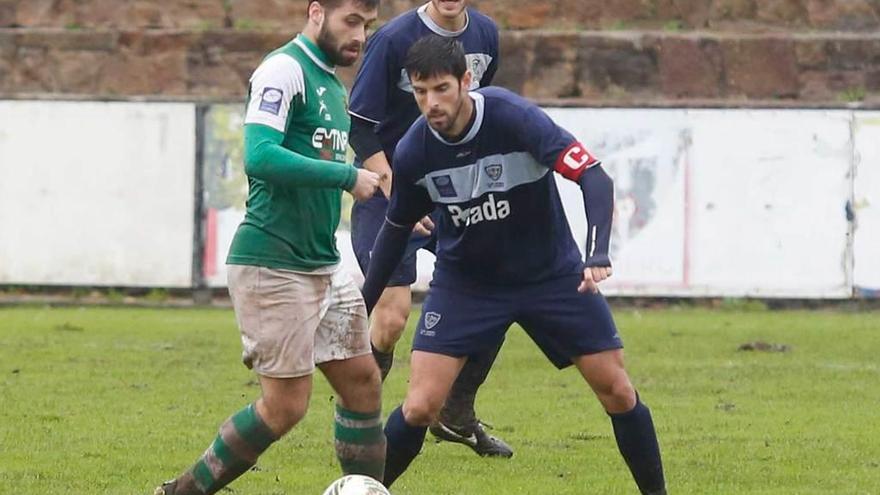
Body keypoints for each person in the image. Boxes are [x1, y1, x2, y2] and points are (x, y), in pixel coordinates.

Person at [361, 36, 667, 494]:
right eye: (421, 92)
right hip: (467, 283)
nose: (431, 104)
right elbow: (396, 228)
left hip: (550, 275)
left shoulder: (512, 117)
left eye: (442, 88)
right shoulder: (414, 151)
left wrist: (597, 251)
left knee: (618, 391)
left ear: (467, 80)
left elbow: (592, 177)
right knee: (421, 405)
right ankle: (361, 489)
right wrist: (361, 304)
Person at [153, 1, 386, 494]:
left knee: (363, 382)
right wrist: (347, 175)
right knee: (285, 407)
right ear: (316, 13)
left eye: (367, 25)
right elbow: (259, 157)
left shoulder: (330, 82)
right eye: (351, 21)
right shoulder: (284, 70)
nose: (360, 36)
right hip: (272, 262)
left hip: (322, 261)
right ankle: (180, 493)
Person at [347, 0, 511, 458]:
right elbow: (359, 126)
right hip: (390, 192)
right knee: (393, 314)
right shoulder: (392, 40)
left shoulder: (486, 35)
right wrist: (397, 188)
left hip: (452, 192)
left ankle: (456, 413)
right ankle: (361, 422)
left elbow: (479, 113)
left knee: (497, 289)